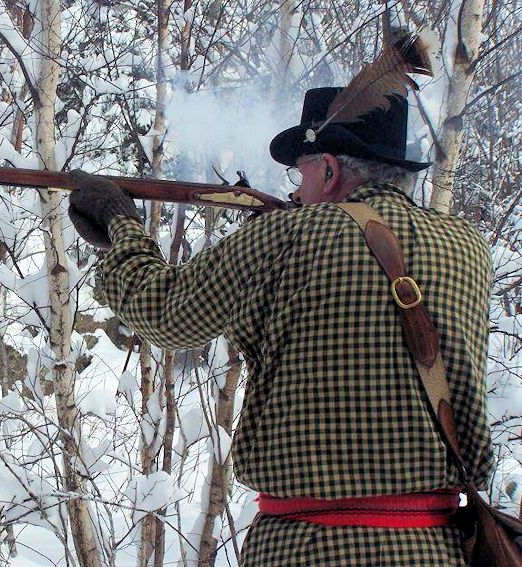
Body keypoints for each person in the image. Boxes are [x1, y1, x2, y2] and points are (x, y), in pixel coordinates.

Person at [67, 87, 493, 566]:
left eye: (302, 170)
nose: (293, 189)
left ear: (330, 170)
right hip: (441, 551)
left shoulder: (287, 235)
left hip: (307, 549)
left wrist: (119, 224)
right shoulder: (468, 248)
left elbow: (165, 313)